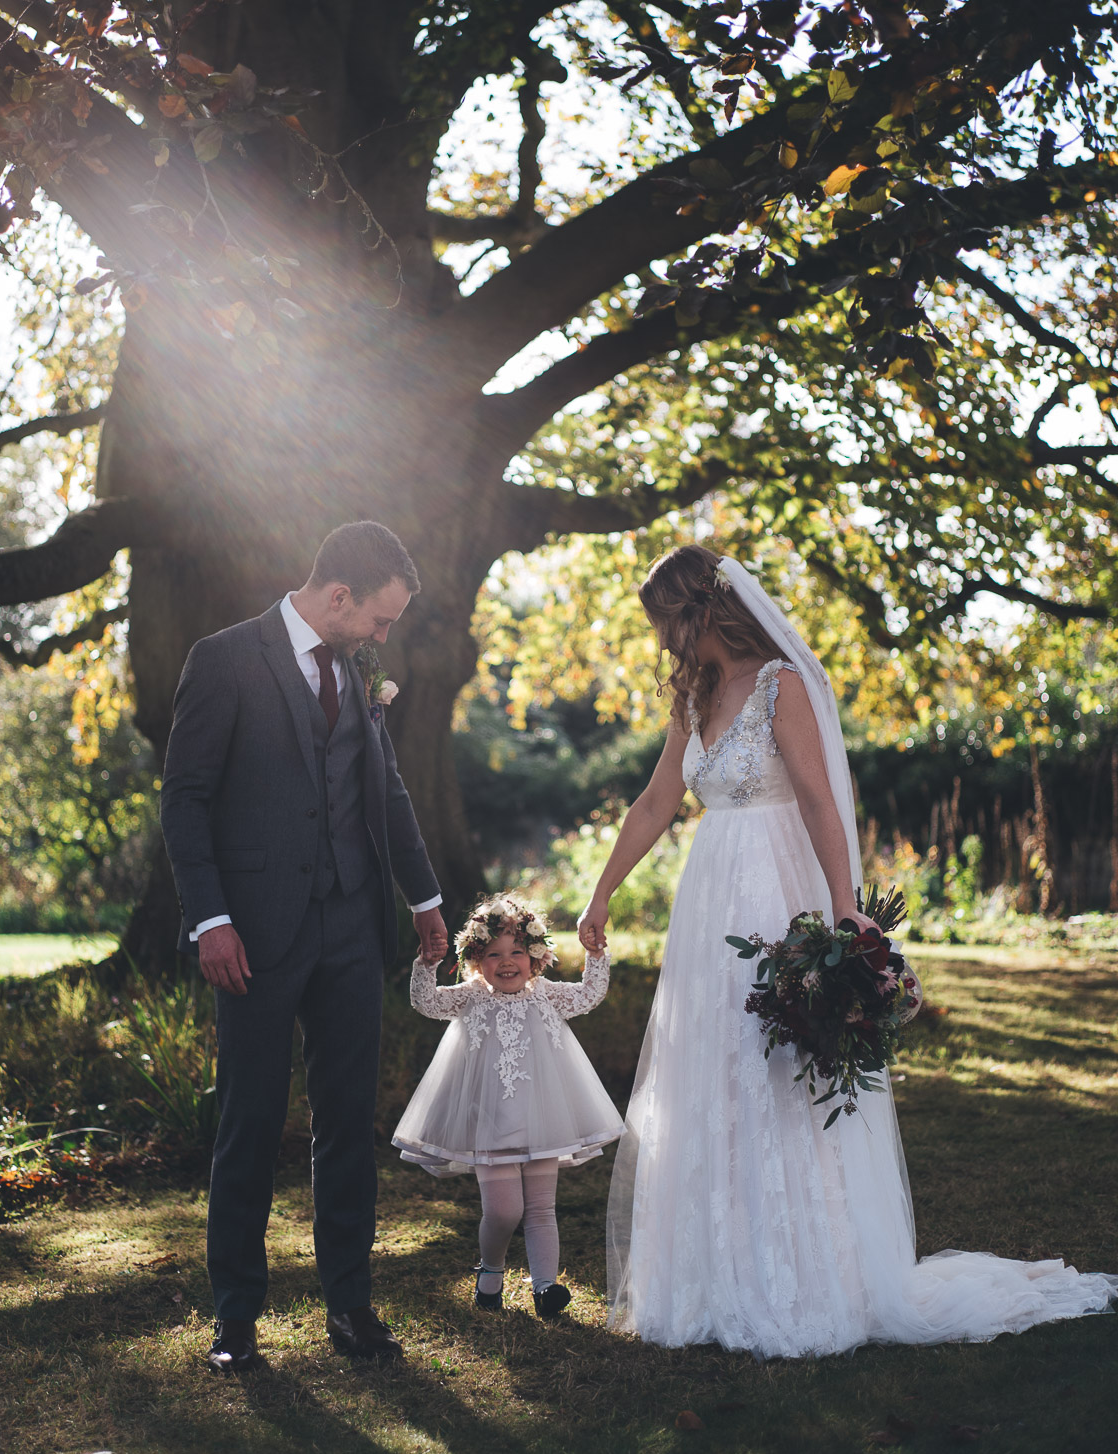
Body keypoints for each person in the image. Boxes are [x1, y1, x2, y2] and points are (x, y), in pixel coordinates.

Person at [577, 544, 1117, 1354]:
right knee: (714, 1073)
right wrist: (602, 891)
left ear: (697, 614)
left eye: (664, 623)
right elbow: (658, 801)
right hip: (706, 906)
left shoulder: (778, 685)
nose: (660, 642)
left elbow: (825, 806)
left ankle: (803, 1275)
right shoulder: (693, 700)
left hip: (772, 897)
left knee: (776, 1071)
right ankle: (710, 1276)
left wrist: (846, 918)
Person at [160, 520, 448, 1370]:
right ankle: (235, 1316)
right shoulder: (223, 659)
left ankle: (351, 1306)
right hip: (251, 934)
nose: (384, 638)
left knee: (348, 1122)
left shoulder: (358, 669)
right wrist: (210, 920)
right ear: (338, 598)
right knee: (250, 1120)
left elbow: (385, 788)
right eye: (381, 620)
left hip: (353, 928)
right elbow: (185, 799)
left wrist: (425, 899)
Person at [393, 893, 624, 1316]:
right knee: (503, 1211)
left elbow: (590, 994)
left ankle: (545, 1287)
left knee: (540, 1208)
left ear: (535, 957)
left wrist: (596, 952)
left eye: (518, 951)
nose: (507, 961)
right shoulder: (470, 997)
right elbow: (425, 1002)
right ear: (476, 960)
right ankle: (492, 1268)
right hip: (489, 1121)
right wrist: (426, 963)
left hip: (542, 1118)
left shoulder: (547, 995)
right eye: (494, 953)